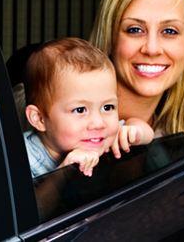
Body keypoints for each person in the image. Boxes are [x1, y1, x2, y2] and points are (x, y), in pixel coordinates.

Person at [22, 38, 154, 178]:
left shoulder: (102, 137)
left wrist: (135, 131)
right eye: (80, 110)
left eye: (107, 107)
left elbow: (147, 133)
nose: (98, 123)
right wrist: (64, 173)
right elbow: (35, 200)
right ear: (39, 119)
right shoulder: (21, 158)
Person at [89, 0, 184, 137]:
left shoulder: (169, 139)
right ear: (109, 39)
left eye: (169, 31)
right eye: (135, 30)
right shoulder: (69, 132)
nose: (151, 49)